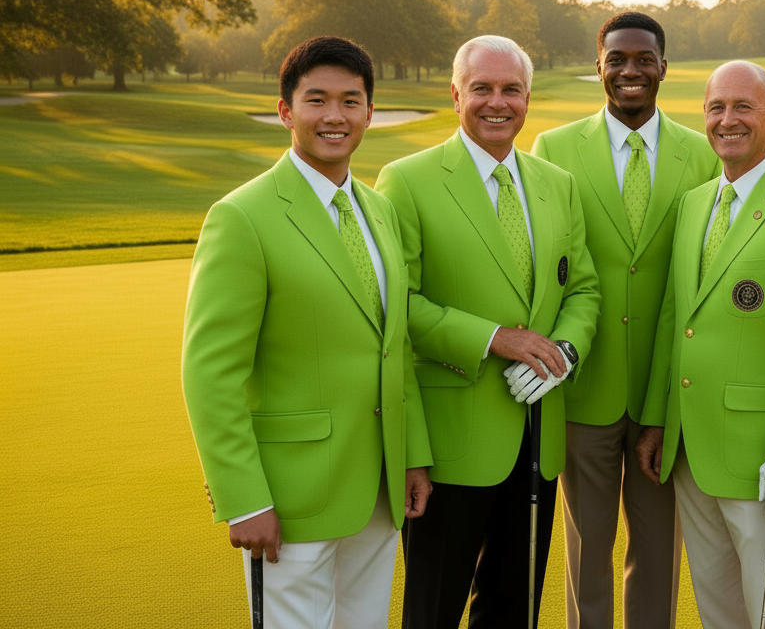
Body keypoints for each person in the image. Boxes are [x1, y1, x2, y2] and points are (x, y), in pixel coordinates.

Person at [182, 36, 433, 629]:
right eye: (316, 99)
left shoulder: (378, 210)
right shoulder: (241, 217)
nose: (335, 116)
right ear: (286, 110)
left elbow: (393, 346)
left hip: (377, 489)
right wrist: (244, 497)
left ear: (369, 111)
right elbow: (210, 372)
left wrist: (412, 455)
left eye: (351, 100)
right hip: (288, 500)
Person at [376, 35, 600, 628]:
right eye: (482, 89)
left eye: (511, 90)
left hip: (537, 436)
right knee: (434, 608)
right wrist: (494, 338)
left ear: (528, 98)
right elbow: (398, 305)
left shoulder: (559, 184)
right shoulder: (406, 180)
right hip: (451, 443)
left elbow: (583, 289)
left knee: (513, 609)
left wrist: (565, 351)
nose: (496, 103)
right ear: (455, 95)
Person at [635, 60, 765, 629]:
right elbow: (674, 322)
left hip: (764, 460)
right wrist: (658, 419)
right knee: (718, 610)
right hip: (690, 451)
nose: (727, 120)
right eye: (716, 108)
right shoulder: (694, 204)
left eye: (743, 107)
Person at [532, 12, 719, 628]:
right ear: (599, 67)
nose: (630, 71)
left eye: (644, 59)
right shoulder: (554, 150)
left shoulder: (703, 153)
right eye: (617, 59)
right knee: (587, 553)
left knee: (659, 550)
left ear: (665, 67)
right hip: (584, 385)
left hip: (667, 390)